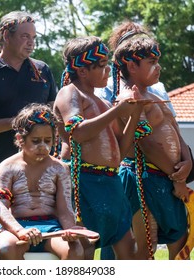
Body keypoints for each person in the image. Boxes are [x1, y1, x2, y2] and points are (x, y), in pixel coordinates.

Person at [53, 36, 148, 259]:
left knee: (128, 246)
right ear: (83, 71)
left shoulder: (103, 103)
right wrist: (118, 110)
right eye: (102, 66)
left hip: (111, 182)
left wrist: (133, 114)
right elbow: (78, 133)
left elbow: (121, 151)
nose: (108, 72)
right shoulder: (70, 93)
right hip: (83, 179)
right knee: (85, 246)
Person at [97, 20, 177, 260]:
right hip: (131, 173)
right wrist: (173, 171)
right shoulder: (108, 89)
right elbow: (135, 137)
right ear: (127, 59)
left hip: (162, 174)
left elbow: (170, 125)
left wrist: (186, 164)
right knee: (124, 240)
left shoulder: (158, 88)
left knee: (159, 237)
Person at [111, 24, 191, 259]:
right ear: (132, 66)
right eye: (151, 63)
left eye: (158, 61)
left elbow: (177, 133)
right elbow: (144, 144)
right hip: (143, 176)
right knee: (147, 245)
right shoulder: (127, 99)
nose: (158, 68)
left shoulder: (156, 95)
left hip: (168, 176)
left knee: (180, 238)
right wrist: (176, 177)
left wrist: (186, 164)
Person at [0, 103, 84, 260]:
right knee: (6, 249)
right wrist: (20, 231)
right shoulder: (7, 167)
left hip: (51, 228)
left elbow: (65, 209)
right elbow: (0, 207)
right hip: (15, 226)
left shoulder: (60, 169)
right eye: (36, 141)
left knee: (75, 251)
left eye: (48, 141)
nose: (43, 147)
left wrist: (70, 229)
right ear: (20, 139)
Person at [0, 10, 57, 170]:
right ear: (7, 36)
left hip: (41, 162)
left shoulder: (42, 70)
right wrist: (19, 121)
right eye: (25, 36)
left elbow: (54, 113)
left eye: (33, 38)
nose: (31, 43)